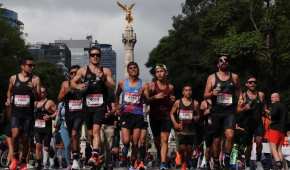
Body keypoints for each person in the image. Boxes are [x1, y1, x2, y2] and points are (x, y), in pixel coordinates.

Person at [71, 46, 115, 166]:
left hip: (100, 106)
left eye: (97, 55)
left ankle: (94, 155)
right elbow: (72, 82)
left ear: (100, 57)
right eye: (93, 55)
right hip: (87, 106)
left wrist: (104, 78)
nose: (95, 57)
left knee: (96, 130)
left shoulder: (105, 70)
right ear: (89, 57)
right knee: (90, 134)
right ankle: (98, 154)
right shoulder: (83, 71)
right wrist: (78, 87)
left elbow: (112, 85)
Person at [203, 54, 241, 168]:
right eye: (221, 60)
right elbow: (205, 95)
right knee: (216, 139)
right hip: (216, 112)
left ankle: (227, 157)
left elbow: (239, 89)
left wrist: (240, 100)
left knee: (230, 135)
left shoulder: (234, 77)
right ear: (218, 64)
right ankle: (215, 160)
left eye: (226, 60)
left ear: (228, 63)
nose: (224, 62)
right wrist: (212, 93)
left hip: (230, 111)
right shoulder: (212, 77)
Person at [5, 57, 41, 170]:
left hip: (28, 114)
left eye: (33, 65)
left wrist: (34, 90)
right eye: (29, 65)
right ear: (22, 66)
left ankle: (24, 161)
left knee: (25, 139)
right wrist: (8, 99)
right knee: (15, 135)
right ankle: (15, 159)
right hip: (16, 112)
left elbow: (39, 97)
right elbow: (9, 90)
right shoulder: (13, 78)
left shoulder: (35, 79)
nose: (32, 67)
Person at [115, 62, 146, 169]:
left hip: (138, 114)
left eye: (135, 68)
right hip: (125, 114)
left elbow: (147, 100)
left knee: (135, 142)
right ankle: (125, 153)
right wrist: (117, 106)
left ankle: (132, 164)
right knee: (126, 141)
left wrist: (144, 94)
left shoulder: (143, 84)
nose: (133, 69)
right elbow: (117, 94)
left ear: (138, 69)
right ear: (128, 71)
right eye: (131, 68)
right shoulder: (122, 83)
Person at [144, 64, 175, 170]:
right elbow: (145, 100)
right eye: (157, 72)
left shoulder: (170, 87)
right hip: (154, 116)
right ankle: (160, 153)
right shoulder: (151, 86)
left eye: (161, 71)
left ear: (166, 73)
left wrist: (172, 101)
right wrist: (154, 97)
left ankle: (163, 163)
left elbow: (172, 103)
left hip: (166, 116)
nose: (159, 73)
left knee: (165, 139)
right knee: (157, 141)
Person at [236, 75, 265, 167]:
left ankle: (259, 160)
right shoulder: (243, 96)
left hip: (258, 123)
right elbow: (237, 110)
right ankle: (247, 163)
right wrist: (245, 108)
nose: (253, 84)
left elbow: (263, 109)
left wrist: (268, 114)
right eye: (250, 82)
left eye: (254, 82)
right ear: (246, 84)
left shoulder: (261, 95)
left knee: (259, 141)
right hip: (247, 123)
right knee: (248, 146)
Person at [58, 65, 83, 169]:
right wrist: (66, 91)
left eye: (76, 73)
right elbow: (59, 98)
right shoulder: (65, 84)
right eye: (71, 73)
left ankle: (75, 159)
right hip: (69, 114)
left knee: (74, 134)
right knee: (73, 138)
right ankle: (76, 158)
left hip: (80, 113)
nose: (73, 75)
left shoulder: (83, 84)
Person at [170, 85, 200, 170]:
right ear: (183, 92)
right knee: (182, 148)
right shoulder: (178, 102)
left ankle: (186, 163)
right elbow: (172, 113)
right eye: (186, 90)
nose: (188, 92)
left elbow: (198, 115)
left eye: (190, 90)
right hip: (181, 130)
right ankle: (183, 163)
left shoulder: (195, 103)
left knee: (190, 149)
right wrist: (175, 123)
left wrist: (195, 118)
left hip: (191, 130)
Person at [34, 86, 57, 169]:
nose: (41, 93)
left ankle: (51, 151)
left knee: (46, 148)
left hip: (46, 128)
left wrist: (50, 116)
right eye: (40, 92)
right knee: (38, 145)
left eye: (43, 92)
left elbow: (57, 112)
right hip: (37, 127)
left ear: (46, 93)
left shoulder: (49, 102)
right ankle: (38, 163)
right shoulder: (35, 102)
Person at [267, 92, 288, 170]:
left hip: (274, 129)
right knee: (279, 150)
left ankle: (278, 165)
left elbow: (273, 115)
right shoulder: (284, 106)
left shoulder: (275, 105)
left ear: (277, 98)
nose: (271, 99)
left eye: (272, 97)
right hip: (282, 130)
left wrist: (268, 113)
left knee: (273, 148)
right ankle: (282, 168)